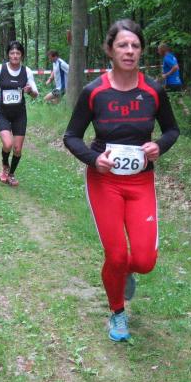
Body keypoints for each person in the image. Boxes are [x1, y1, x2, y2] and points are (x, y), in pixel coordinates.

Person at [63, 20, 180, 342]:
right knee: (116, 255)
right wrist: (93, 159)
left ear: (141, 51)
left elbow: (172, 130)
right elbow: (71, 136)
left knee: (143, 260)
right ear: (109, 50)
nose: (129, 51)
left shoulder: (153, 91)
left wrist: (160, 146)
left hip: (140, 182)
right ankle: (117, 312)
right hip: (105, 182)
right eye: (122, 46)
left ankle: (126, 272)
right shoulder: (94, 92)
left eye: (135, 46)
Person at [0, 40, 39, 186]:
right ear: (8, 54)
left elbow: (36, 93)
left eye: (18, 53)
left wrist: (30, 91)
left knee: (18, 149)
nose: (15, 56)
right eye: (12, 53)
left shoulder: (27, 71)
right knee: (7, 144)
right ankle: (4, 166)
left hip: (19, 114)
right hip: (2, 113)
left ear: (22, 55)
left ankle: (11, 174)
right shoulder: (0, 69)